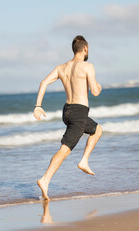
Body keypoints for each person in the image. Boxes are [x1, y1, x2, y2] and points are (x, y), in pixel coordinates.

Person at [33, 35, 102, 201]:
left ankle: (84, 161)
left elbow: (43, 82)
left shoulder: (61, 67)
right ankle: (45, 179)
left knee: (97, 130)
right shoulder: (87, 66)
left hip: (67, 111)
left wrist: (38, 106)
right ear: (85, 49)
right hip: (79, 112)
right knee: (65, 149)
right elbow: (95, 91)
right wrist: (99, 84)